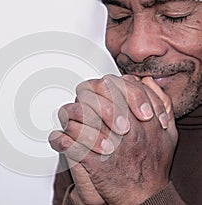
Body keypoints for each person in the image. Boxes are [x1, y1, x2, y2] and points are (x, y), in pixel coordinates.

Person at [49, 0, 202, 204]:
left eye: (175, 16)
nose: (135, 49)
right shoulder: (108, 126)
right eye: (119, 17)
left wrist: (141, 192)